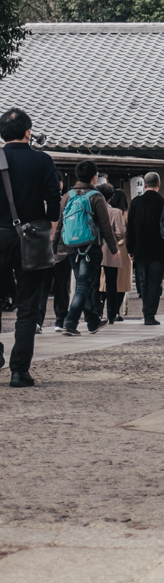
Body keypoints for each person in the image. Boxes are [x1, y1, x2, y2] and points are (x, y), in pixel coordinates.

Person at [0, 107, 60, 387]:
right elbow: (53, 199)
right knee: (28, 304)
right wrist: (51, 227)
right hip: (32, 235)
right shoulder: (42, 161)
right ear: (28, 132)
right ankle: (19, 370)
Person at [57, 159, 115, 335]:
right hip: (91, 248)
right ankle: (70, 322)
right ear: (94, 177)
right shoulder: (96, 197)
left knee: (84, 284)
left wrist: (55, 246)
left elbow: (60, 223)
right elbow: (105, 226)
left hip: (71, 248)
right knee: (84, 286)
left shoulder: (68, 196)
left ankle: (92, 321)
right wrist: (114, 249)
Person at [126, 173, 164, 325]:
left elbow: (130, 227)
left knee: (143, 281)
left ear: (144, 185)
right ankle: (149, 315)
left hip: (140, 249)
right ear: (159, 183)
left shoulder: (136, 202)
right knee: (155, 282)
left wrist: (130, 248)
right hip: (159, 250)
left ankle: (146, 311)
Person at [100, 186, 131, 322]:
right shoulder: (121, 213)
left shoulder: (98, 210)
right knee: (117, 282)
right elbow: (121, 232)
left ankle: (98, 311)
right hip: (120, 250)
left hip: (99, 248)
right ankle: (113, 313)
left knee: (101, 282)